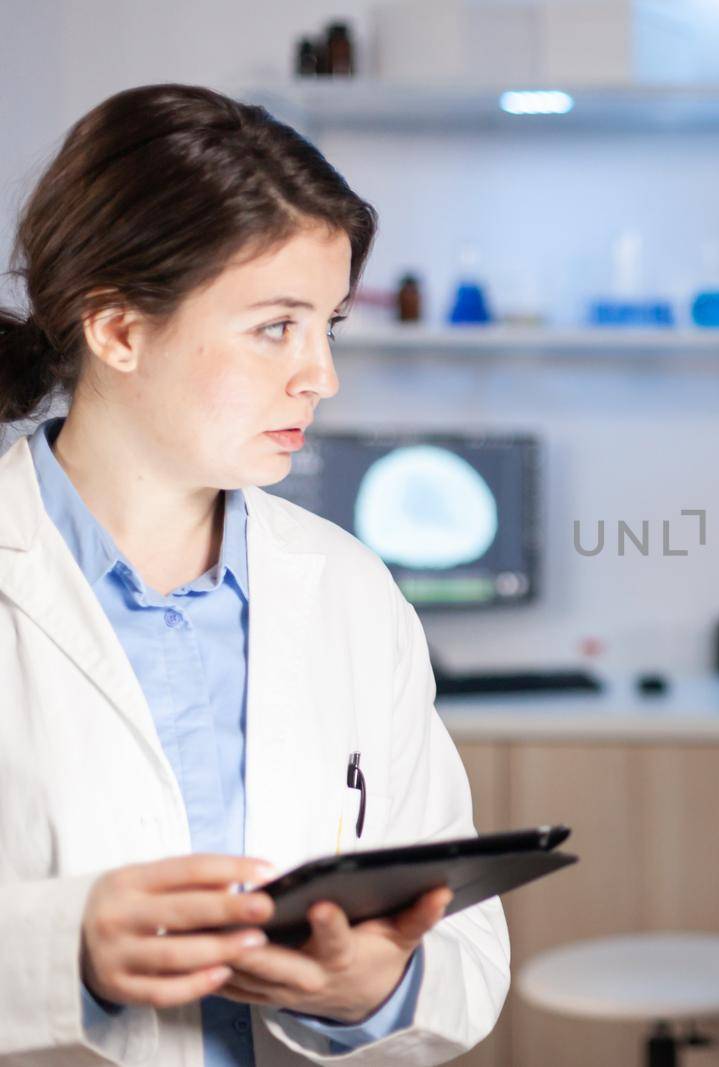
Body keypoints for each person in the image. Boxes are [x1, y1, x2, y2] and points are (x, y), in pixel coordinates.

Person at [0, 85, 509, 1064]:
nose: (321, 374)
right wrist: (60, 952)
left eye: (330, 325)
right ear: (116, 328)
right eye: (277, 326)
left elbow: (465, 952)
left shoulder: (348, 589)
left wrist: (379, 988)